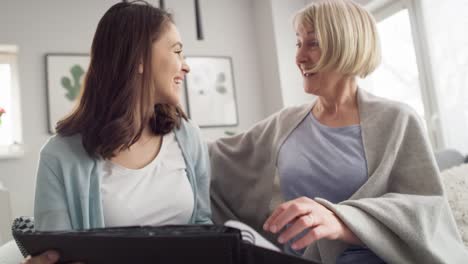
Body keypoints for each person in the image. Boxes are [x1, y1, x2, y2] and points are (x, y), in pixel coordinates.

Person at [209, 0, 468, 263]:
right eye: (298, 43)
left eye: (313, 43)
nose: (299, 57)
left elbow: (426, 212)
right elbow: (211, 157)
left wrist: (340, 221)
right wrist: (169, 116)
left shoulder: (398, 120)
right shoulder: (285, 123)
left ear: (345, 44)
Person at [23, 1, 211, 263]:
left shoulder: (189, 137)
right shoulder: (59, 157)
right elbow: (57, 255)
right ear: (139, 59)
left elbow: (204, 227)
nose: (186, 66)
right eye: (177, 51)